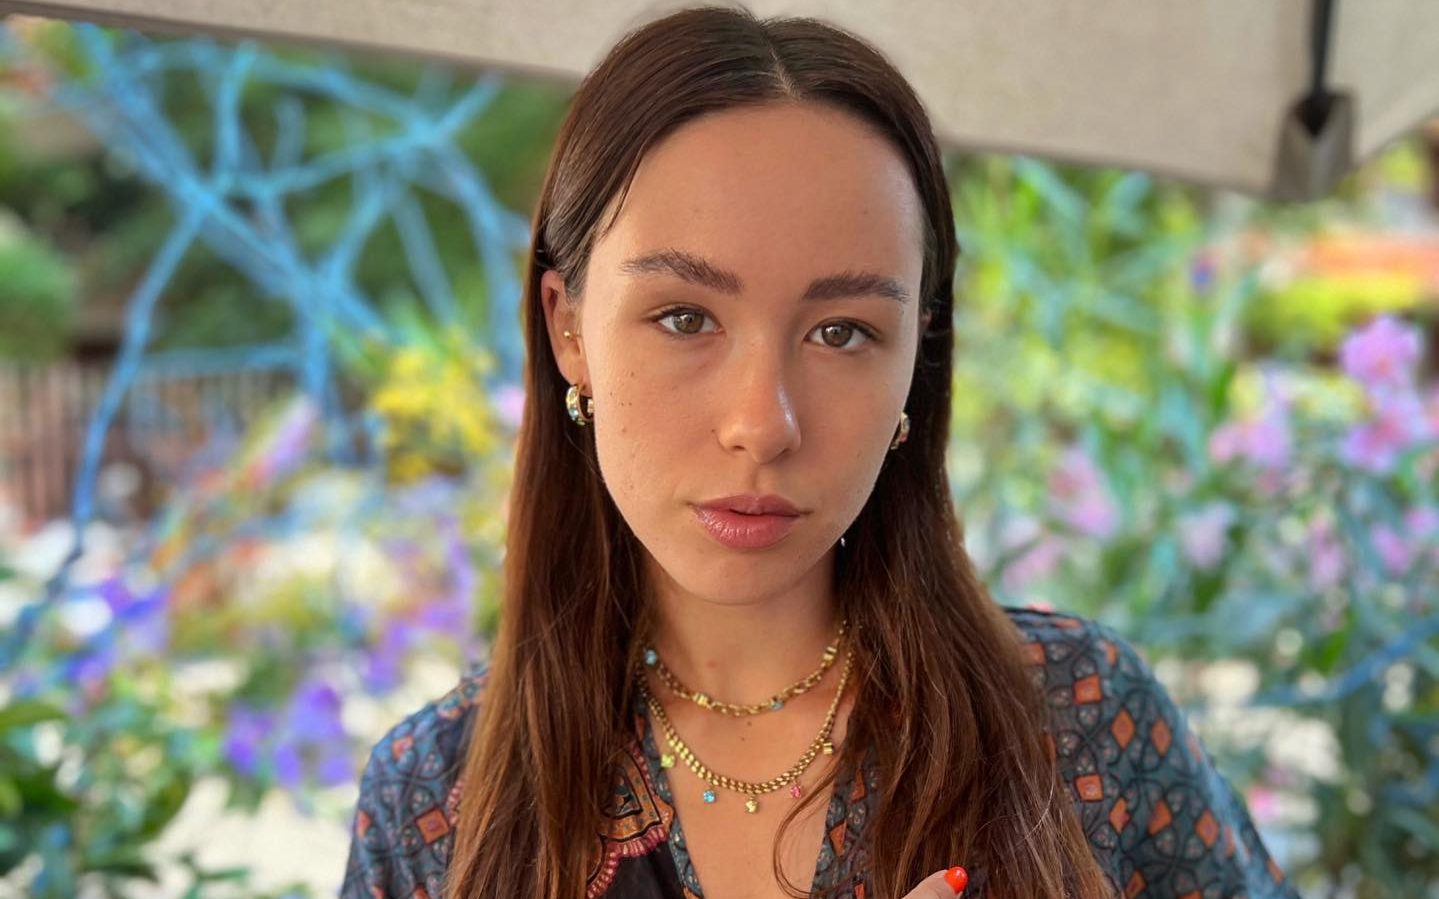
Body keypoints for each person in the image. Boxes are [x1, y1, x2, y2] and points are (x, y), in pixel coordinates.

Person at [340, 5, 1301, 898]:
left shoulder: (1078, 718)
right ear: (568, 329)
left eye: (842, 332)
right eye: (684, 318)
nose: (762, 424)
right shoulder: (436, 804)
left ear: (916, 354)